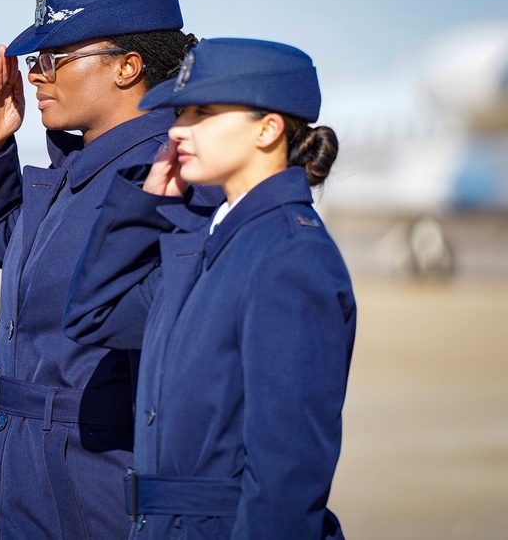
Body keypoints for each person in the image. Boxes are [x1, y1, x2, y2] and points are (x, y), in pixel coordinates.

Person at [0, 0, 220, 539]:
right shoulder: (79, 172)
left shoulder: (170, 177)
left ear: (127, 66)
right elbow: (1, 241)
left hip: (95, 492)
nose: (35, 76)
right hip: (31, 484)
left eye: (54, 58)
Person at [64, 38, 356, 539]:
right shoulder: (206, 239)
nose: (178, 131)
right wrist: (141, 208)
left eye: (203, 113)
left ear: (268, 128)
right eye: (180, 113)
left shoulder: (290, 258)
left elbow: (288, 471)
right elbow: (94, 315)